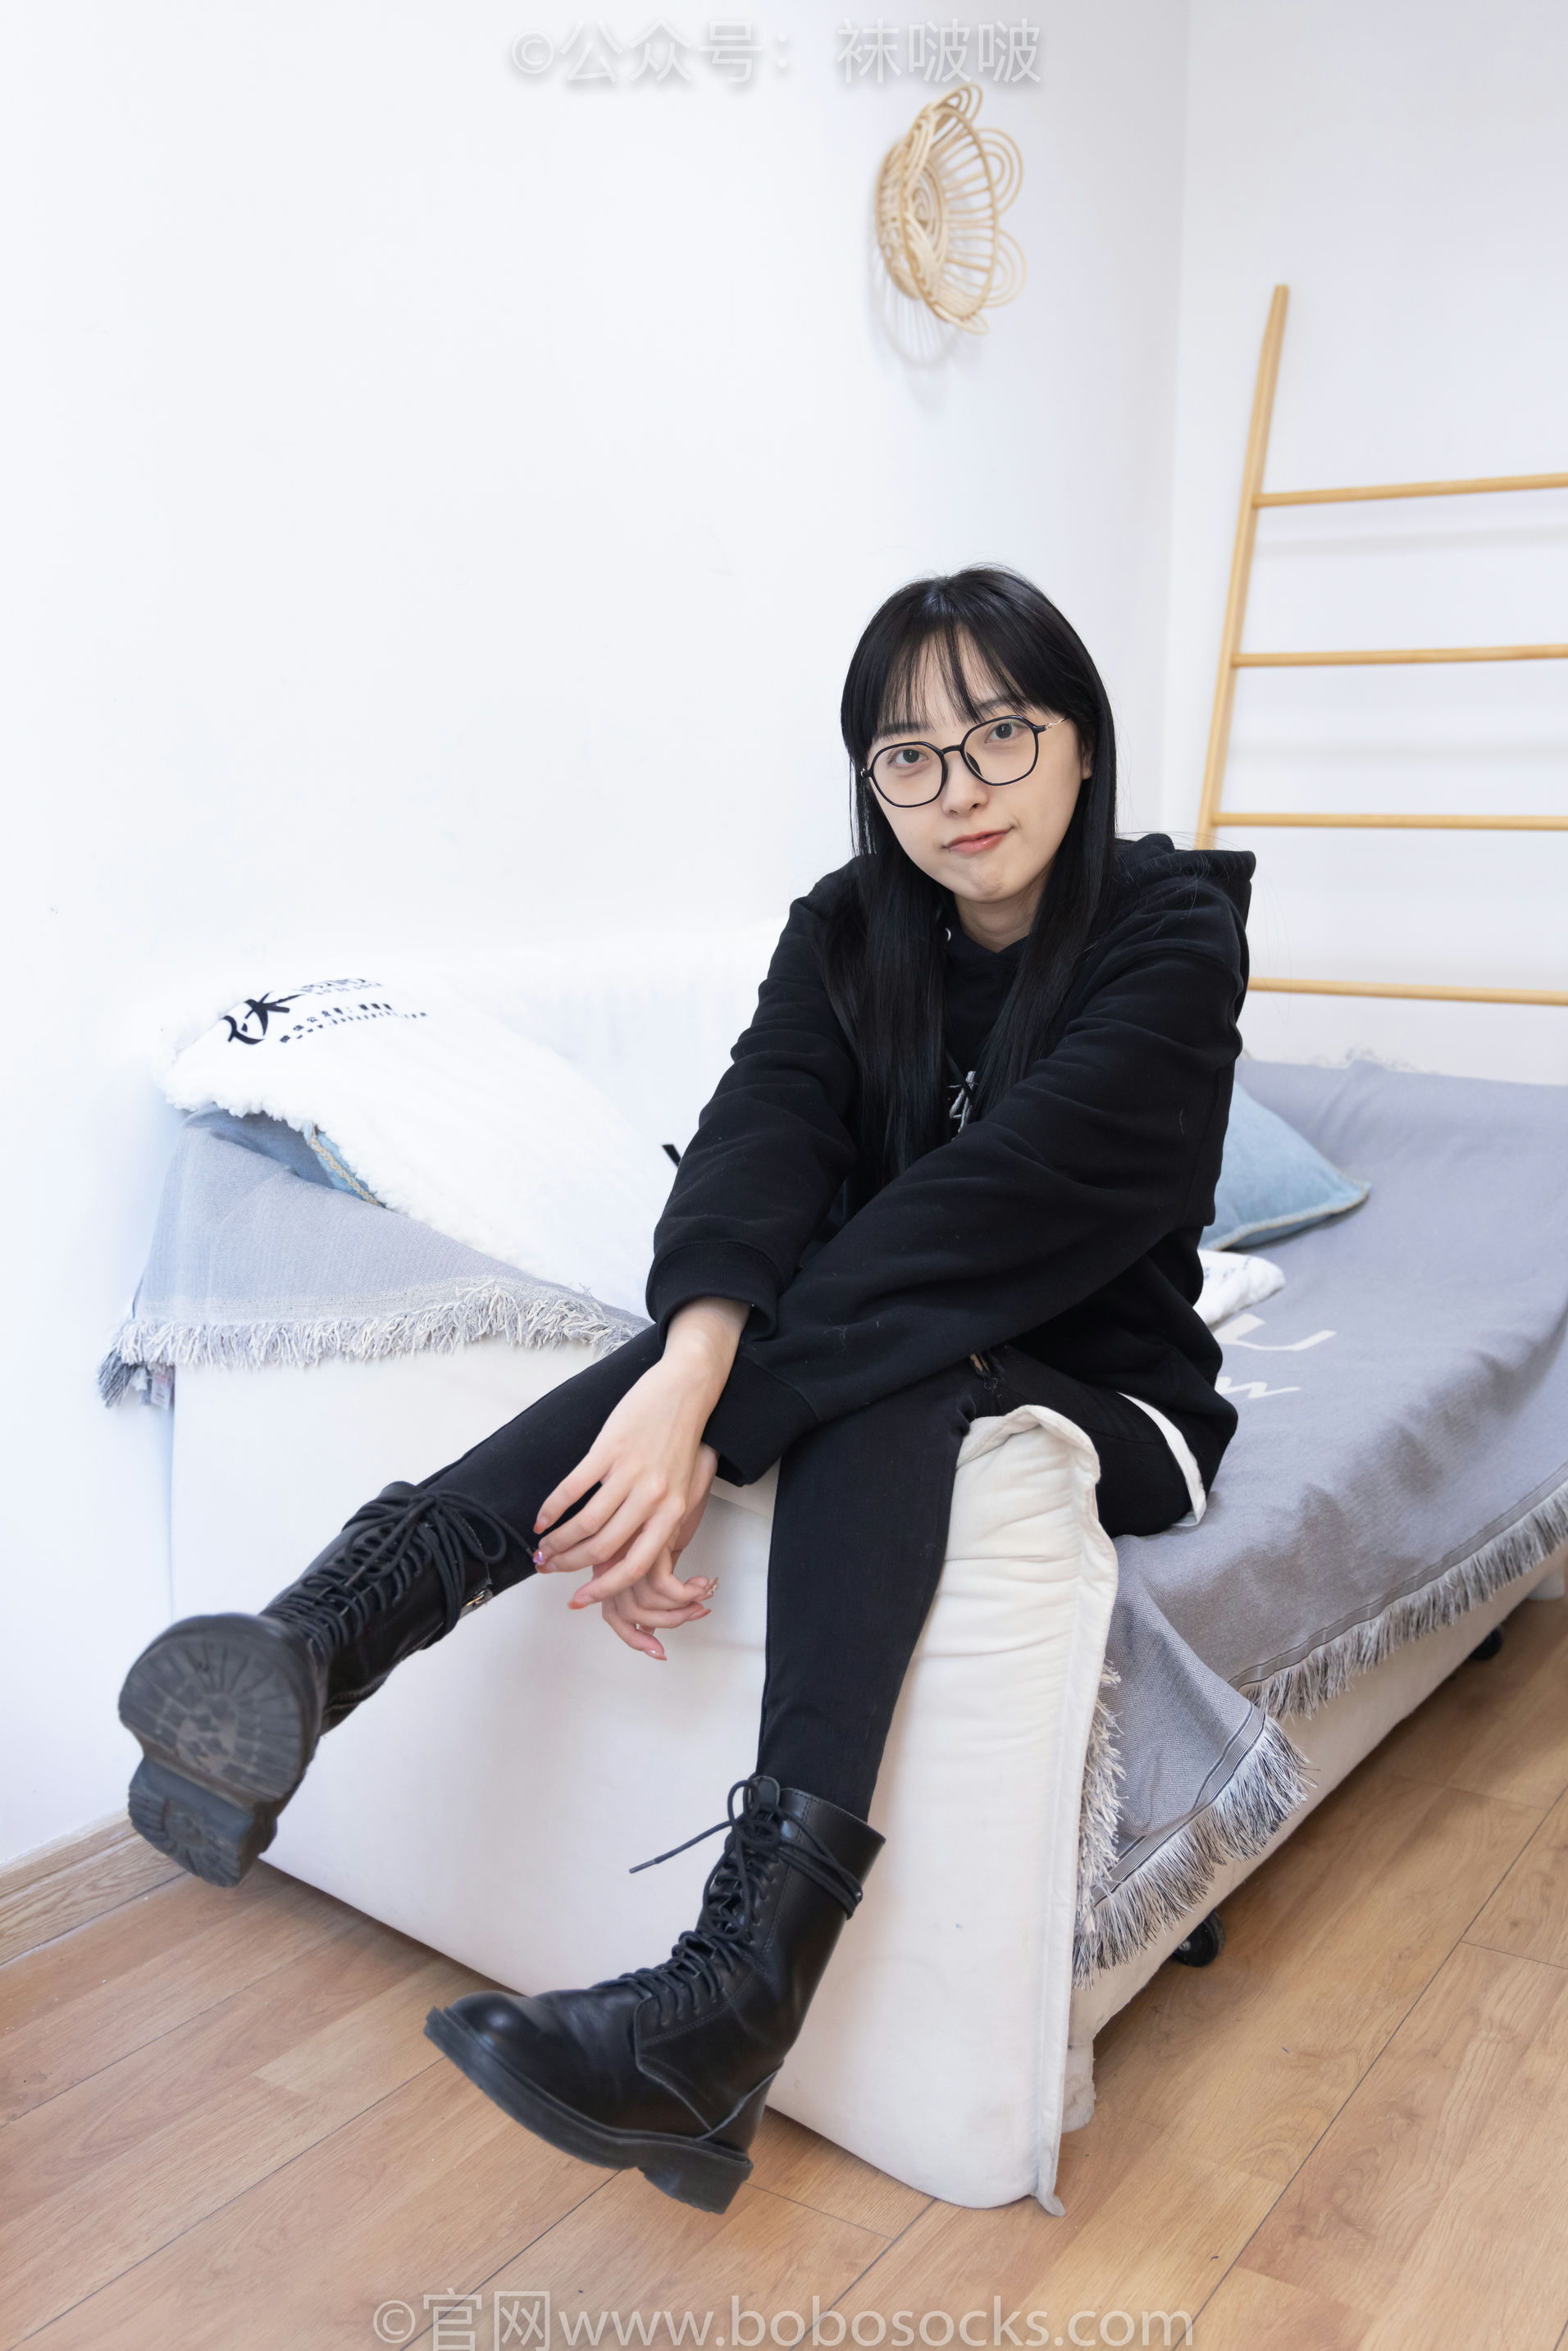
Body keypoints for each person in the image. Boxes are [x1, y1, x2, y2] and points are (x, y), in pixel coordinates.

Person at [117, 567, 1254, 2215]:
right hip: (875, 1345)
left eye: (1001, 734)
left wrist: (707, 1429)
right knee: (789, 1337)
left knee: (887, 1352)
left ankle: (715, 1964)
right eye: (909, 755)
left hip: (1114, 1396)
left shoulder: (1172, 935)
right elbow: (757, 1141)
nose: (960, 787)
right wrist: (689, 1368)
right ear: (870, 782)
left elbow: (990, 1209)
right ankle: (314, 1657)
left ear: (1082, 741)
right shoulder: (848, 930)